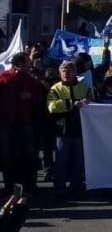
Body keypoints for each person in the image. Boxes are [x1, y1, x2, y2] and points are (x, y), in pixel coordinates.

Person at [0, 53, 46, 194]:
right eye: (27, 62)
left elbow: (40, 98)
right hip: (6, 123)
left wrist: (30, 96)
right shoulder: (3, 78)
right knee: (7, 155)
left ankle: (30, 185)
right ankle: (9, 186)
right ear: (19, 63)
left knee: (29, 154)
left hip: (25, 123)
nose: (30, 64)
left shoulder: (31, 81)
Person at [47, 61, 93, 199]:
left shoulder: (84, 88)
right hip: (62, 131)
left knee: (79, 162)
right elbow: (51, 107)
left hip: (80, 130)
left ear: (74, 73)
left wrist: (87, 102)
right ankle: (59, 190)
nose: (66, 74)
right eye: (63, 71)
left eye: (68, 71)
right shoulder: (55, 89)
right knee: (61, 162)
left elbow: (93, 102)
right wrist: (72, 104)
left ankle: (76, 188)